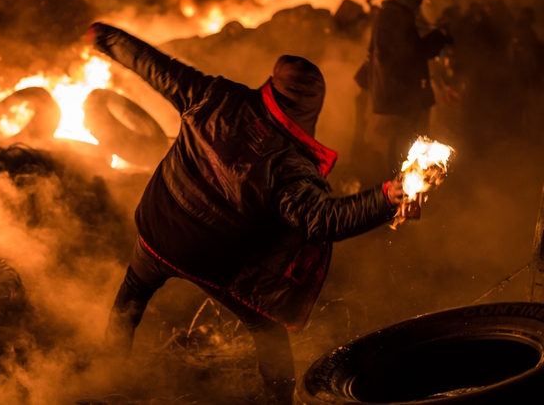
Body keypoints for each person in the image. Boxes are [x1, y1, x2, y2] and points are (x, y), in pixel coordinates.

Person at [87, 22, 404, 404]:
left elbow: (155, 65)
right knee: (265, 328)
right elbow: (325, 220)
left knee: (130, 298)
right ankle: (281, 399)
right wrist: (388, 198)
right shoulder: (291, 164)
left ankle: (109, 375)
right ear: (312, 106)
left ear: (273, 82)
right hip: (217, 262)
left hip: (159, 233)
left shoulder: (215, 95)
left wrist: (107, 38)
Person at [362, 0, 452, 170]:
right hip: (403, 92)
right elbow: (412, 52)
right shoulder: (397, 17)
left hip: (398, 91)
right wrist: (439, 37)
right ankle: (402, 182)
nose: (419, 4)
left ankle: (400, 180)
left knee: (402, 138)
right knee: (406, 139)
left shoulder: (389, 14)